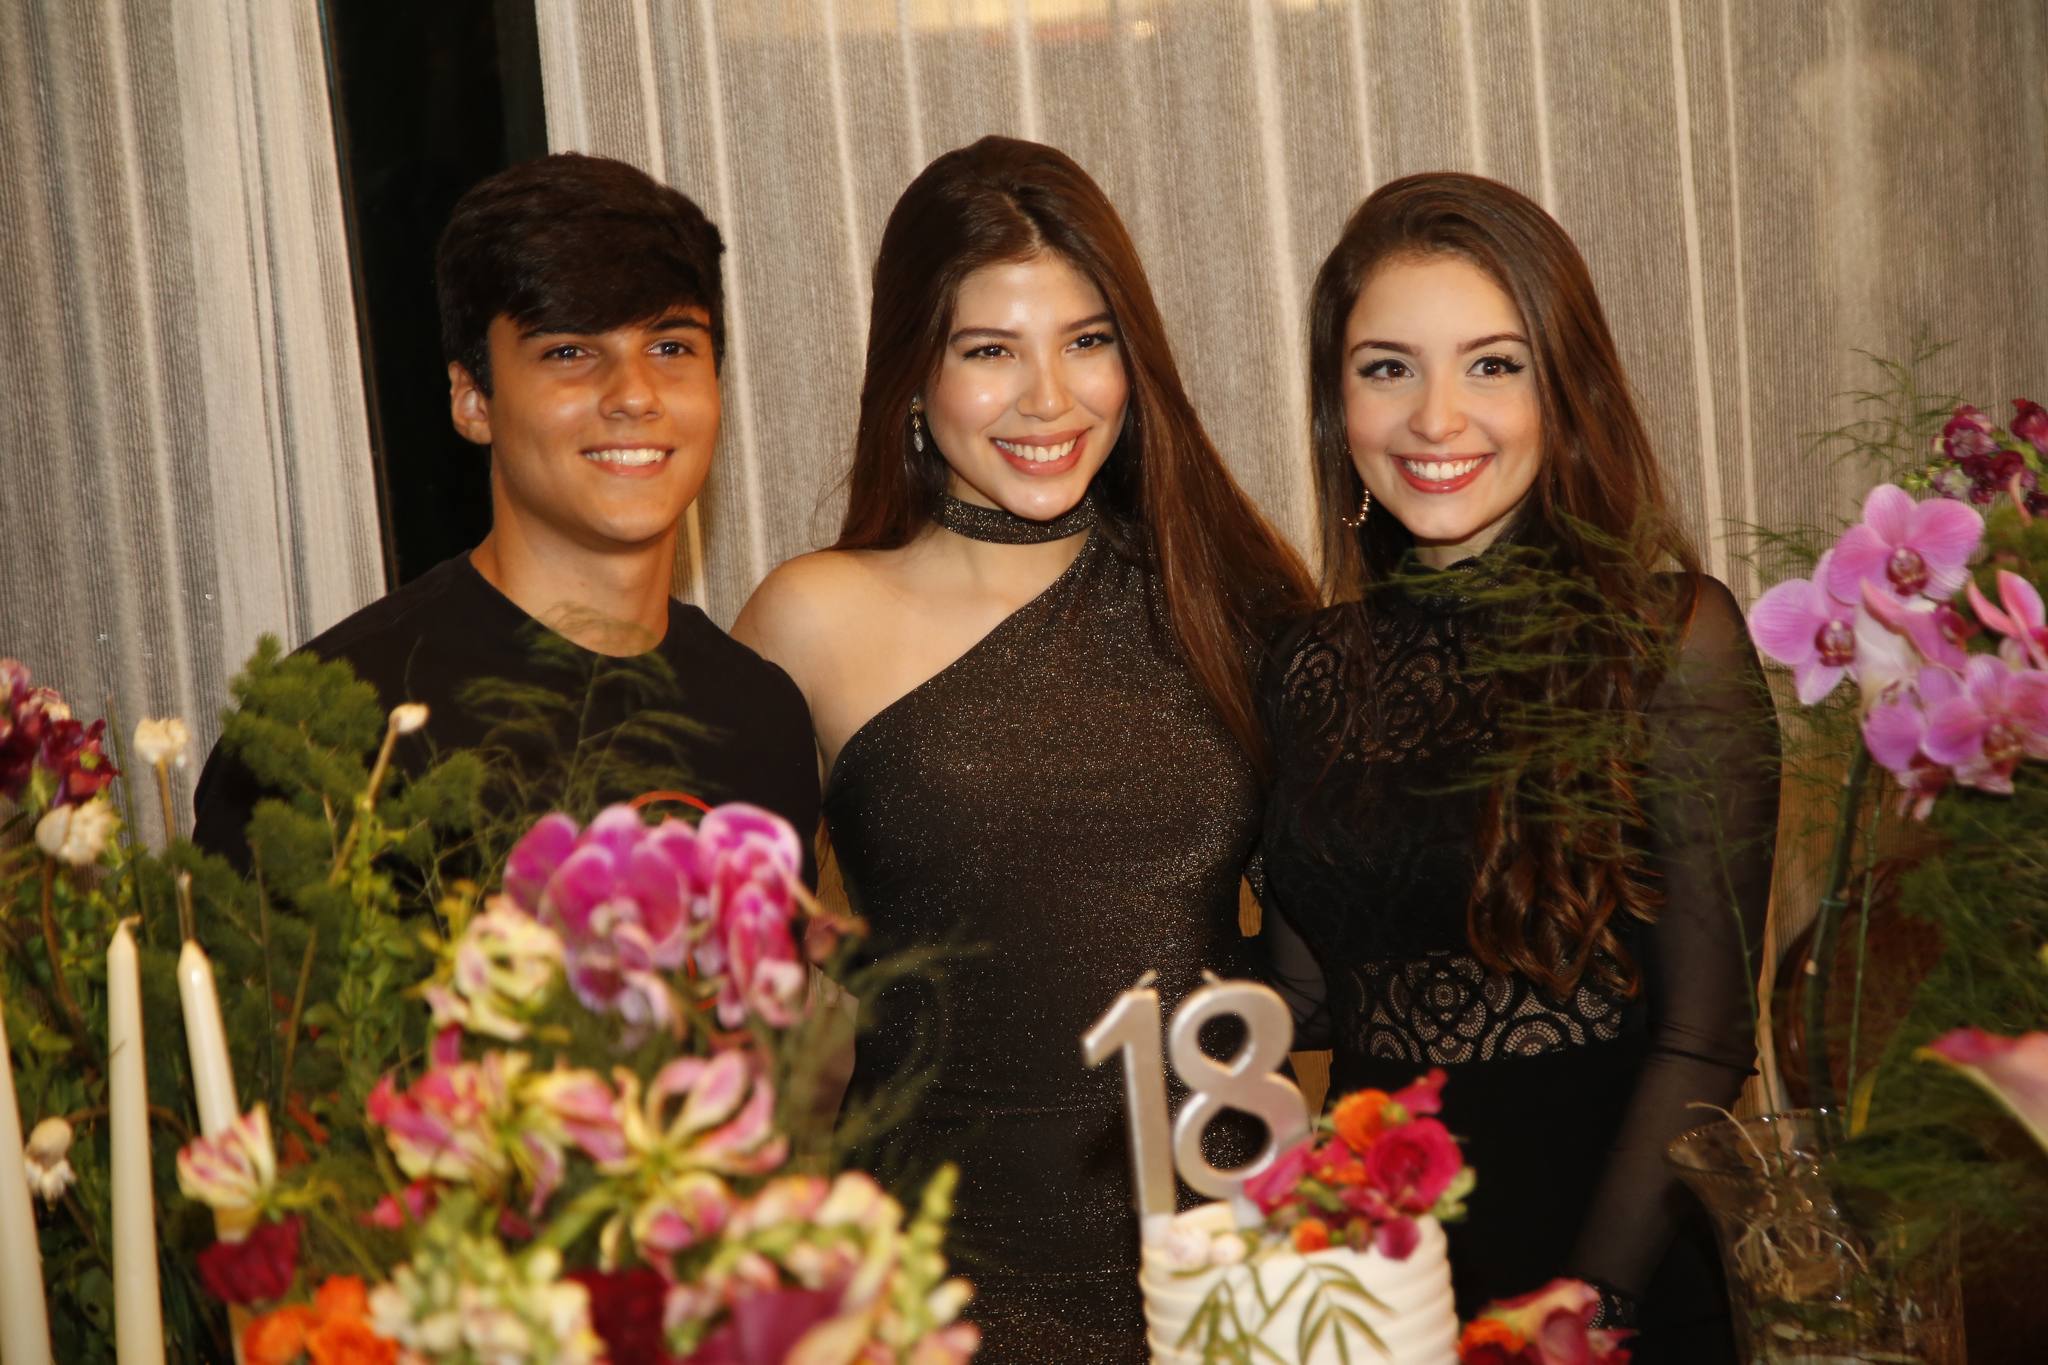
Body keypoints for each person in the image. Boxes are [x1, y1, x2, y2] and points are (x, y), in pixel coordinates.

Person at [734, 136, 1315, 1360]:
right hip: (932, 1287)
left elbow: (1327, 952)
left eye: (1086, 341)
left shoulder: (1228, 601)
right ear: (912, 372)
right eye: (988, 350)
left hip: (1222, 1272)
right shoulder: (811, 618)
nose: (1049, 398)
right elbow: (736, 1005)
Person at [1255, 172, 1778, 1363]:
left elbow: (1704, 1038)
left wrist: (1585, 1305)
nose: (1435, 418)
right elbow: (1315, 995)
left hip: (1612, 1272)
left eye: (1492, 365)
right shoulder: (1306, 665)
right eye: (1386, 368)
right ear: (1337, 403)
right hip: (1380, 1279)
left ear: (1562, 393)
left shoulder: (1667, 639)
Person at [193, 153, 818, 883]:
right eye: (570, 351)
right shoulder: (331, 733)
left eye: (670, 347)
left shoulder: (759, 715)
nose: (634, 394)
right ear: (472, 401)